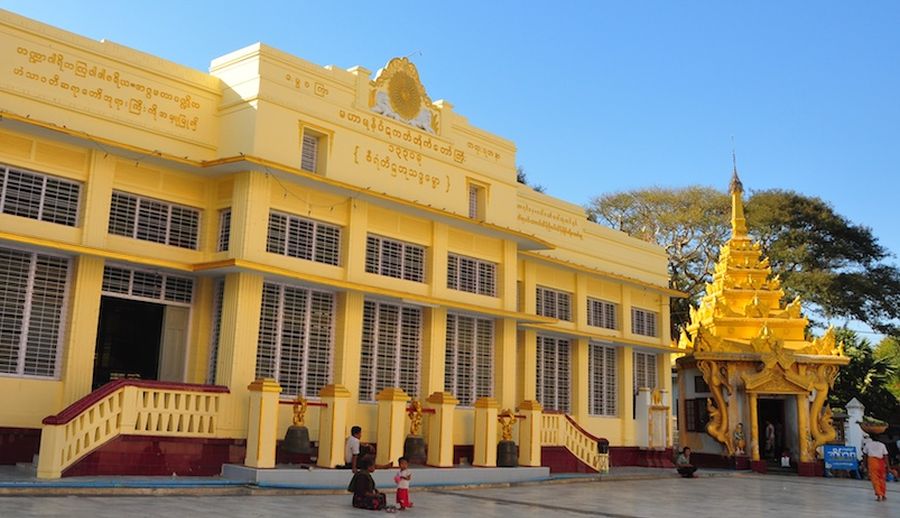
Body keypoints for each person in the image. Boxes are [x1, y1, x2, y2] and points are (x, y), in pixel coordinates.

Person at [863, 437, 889, 501]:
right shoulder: (882, 445)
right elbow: (885, 456)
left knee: (875, 479)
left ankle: (879, 495)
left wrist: (864, 465)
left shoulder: (868, 444)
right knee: (882, 479)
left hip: (872, 462)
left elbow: (865, 455)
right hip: (881, 462)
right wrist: (888, 466)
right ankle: (883, 495)